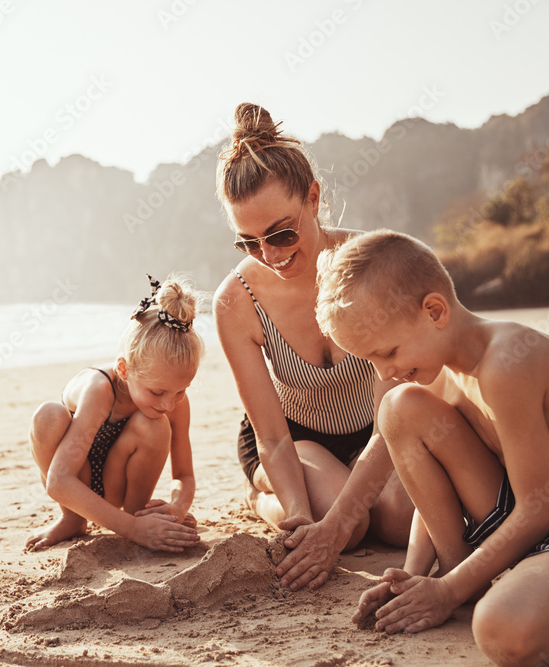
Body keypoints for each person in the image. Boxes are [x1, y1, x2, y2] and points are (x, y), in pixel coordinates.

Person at [315, 229, 549, 666]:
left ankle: (482, 592)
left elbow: (538, 509)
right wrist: (414, 576)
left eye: (389, 352)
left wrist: (448, 588)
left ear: (434, 310)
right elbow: (429, 493)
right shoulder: (439, 374)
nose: (387, 371)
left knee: (501, 630)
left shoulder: (506, 363)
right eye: (372, 362)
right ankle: (471, 581)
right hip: (519, 514)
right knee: (399, 408)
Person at [213, 103, 414, 591]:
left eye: (281, 232)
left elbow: (393, 419)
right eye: (250, 243)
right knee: (348, 527)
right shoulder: (236, 303)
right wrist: (300, 518)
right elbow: (273, 436)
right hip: (291, 437)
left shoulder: (373, 263)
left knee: (398, 521)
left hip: (375, 427)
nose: (271, 255)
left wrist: (340, 519)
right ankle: (260, 493)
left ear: (313, 198)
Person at [26, 275, 203, 553]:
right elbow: (59, 480)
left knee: (156, 425)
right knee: (48, 415)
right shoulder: (99, 389)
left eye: (180, 391)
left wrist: (176, 508)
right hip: (76, 481)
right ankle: (73, 520)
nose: (170, 404)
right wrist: (132, 531)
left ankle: (139, 516)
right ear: (124, 369)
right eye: (157, 393)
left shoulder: (174, 400)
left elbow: (184, 474)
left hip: (120, 484)